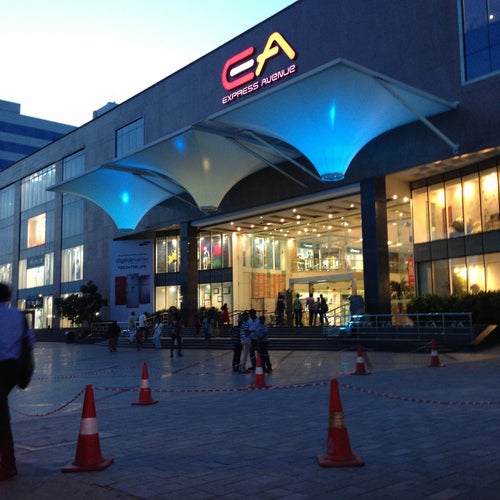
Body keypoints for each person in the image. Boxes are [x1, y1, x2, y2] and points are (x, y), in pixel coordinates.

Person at [0, 283, 35, 481]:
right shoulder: (18, 315)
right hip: (12, 369)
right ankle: (8, 463)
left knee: (2, 419)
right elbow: (30, 341)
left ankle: (8, 465)